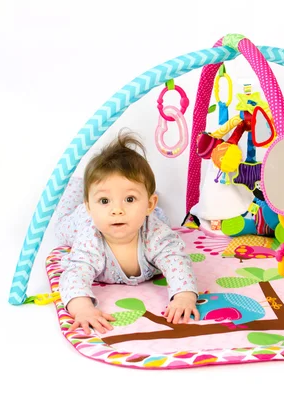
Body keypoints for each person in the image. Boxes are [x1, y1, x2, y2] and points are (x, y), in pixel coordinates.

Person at [55, 131, 199, 335]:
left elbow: (177, 261)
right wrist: (83, 309)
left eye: (129, 199)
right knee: (60, 228)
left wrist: (184, 296)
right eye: (105, 201)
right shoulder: (89, 239)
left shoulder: (156, 234)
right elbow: (74, 275)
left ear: (149, 203)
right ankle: (76, 187)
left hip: (149, 217)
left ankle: (134, 202)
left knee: (161, 220)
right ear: (90, 206)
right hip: (84, 220)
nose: (117, 210)